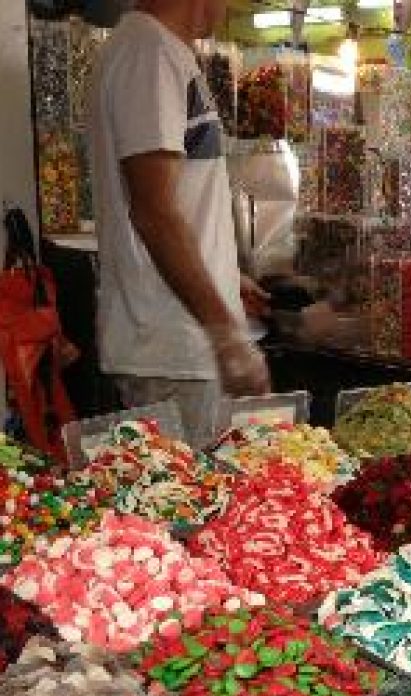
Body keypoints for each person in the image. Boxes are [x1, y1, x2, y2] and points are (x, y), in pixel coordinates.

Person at [89, 0, 270, 446]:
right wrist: (226, 334)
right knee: (192, 509)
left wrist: (225, 275)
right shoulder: (149, 54)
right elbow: (154, 212)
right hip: (172, 353)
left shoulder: (159, 51)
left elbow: (176, 204)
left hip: (181, 348)